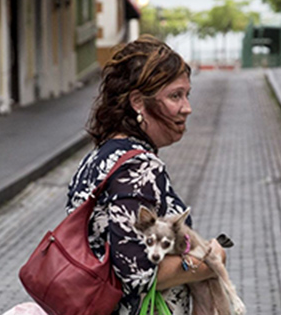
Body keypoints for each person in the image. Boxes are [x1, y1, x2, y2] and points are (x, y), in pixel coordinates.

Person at [66, 35, 227, 315]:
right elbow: (137, 273)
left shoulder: (99, 157)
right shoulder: (138, 167)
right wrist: (207, 260)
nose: (187, 108)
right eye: (175, 96)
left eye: (187, 95)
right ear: (138, 102)